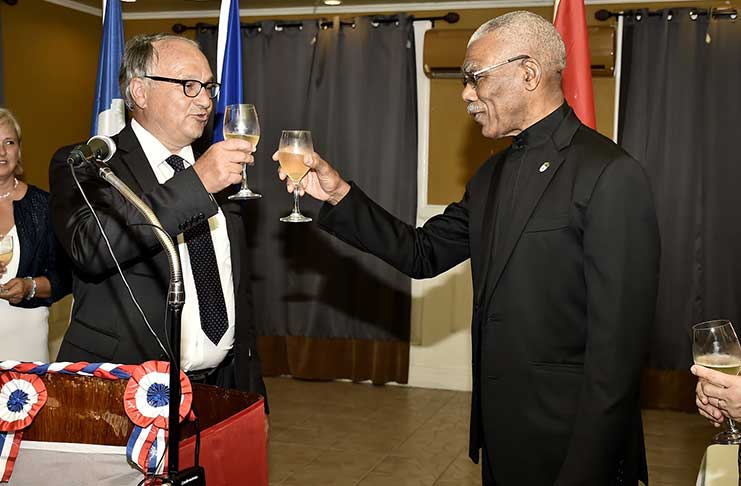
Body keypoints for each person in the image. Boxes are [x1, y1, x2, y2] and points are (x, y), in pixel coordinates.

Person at [278, 11, 660, 486]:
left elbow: (617, 354)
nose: (465, 94)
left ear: (528, 73)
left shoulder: (609, 174)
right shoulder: (490, 175)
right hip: (503, 436)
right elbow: (421, 252)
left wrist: (587, 468)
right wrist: (337, 194)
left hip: (574, 446)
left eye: (474, 77)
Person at [49, 34, 268, 415]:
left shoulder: (221, 171)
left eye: (209, 87)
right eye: (189, 86)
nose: (205, 100)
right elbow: (92, 249)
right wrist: (195, 184)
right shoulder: (88, 164)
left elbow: (236, 287)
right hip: (122, 394)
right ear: (140, 91)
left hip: (221, 389)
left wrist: (254, 398)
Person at [0, 108, 70, 362]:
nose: (1, 152)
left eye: (9, 142)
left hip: (25, 341)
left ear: (18, 150)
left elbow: (65, 277)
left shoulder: (43, 206)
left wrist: (30, 286)